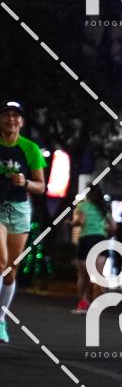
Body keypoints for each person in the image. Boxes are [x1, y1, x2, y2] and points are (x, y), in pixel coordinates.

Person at [0, 100, 47, 343]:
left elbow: (41, 186)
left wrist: (25, 183)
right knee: (0, 261)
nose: (11, 119)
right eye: (6, 114)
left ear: (22, 121)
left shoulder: (30, 148)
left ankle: (1, 319)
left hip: (19, 210)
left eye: (15, 115)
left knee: (10, 271)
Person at [71, 186, 116, 313]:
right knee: (98, 274)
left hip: (86, 239)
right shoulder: (103, 208)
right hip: (100, 240)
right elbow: (113, 226)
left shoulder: (83, 206)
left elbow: (80, 221)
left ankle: (83, 303)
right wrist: (103, 230)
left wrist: (70, 223)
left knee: (83, 275)